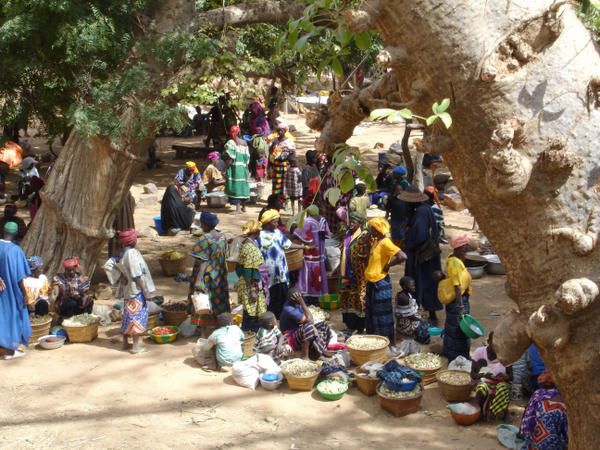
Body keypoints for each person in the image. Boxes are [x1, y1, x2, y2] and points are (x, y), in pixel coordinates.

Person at [402, 185, 443, 324]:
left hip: (422, 255)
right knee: (429, 283)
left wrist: (408, 240)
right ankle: (430, 313)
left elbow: (419, 235)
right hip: (429, 253)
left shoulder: (420, 213)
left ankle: (420, 312)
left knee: (420, 282)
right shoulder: (426, 209)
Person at [364, 218, 407, 344]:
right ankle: (375, 340)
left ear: (377, 230)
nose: (369, 230)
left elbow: (402, 256)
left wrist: (389, 265)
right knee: (372, 313)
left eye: (371, 228)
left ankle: (387, 341)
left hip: (380, 283)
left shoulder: (385, 243)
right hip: (372, 281)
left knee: (382, 315)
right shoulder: (376, 242)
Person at [116, 229, 155, 354]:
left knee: (128, 315)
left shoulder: (123, 253)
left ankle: (125, 343)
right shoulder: (131, 254)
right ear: (133, 241)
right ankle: (136, 347)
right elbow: (137, 275)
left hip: (128, 290)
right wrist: (145, 290)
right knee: (136, 317)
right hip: (136, 290)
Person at [190, 212, 230, 330]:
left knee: (203, 303)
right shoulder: (223, 237)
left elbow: (203, 261)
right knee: (219, 300)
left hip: (206, 277)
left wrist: (198, 280)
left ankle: (204, 330)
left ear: (204, 224)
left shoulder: (204, 239)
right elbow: (225, 256)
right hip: (219, 276)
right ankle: (220, 324)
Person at [0, 222, 31, 359]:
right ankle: (10, 350)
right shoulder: (15, 250)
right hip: (11, 291)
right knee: (13, 318)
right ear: (16, 234)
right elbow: (20, 277)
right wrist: (25, 294)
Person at [519, 372, 568, 450]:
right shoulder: (563, 402)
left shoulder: (536, 394)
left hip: (531, 444)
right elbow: (567, 432)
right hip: (552, 445)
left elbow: (524, 419)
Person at [280, 288, 332, 360]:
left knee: (323, 325)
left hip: (297, 331)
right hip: (290, 337)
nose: (301, 297)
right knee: (309, 327)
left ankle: (320, 351)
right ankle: (305, 356)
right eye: (299, 297)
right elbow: (310, 320)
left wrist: (301, 303)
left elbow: (309, 319)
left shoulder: (296, 304)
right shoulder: (289, 309)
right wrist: (302, 302)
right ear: (293, 298)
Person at [258, 209, 292, 319]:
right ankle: (271, 318)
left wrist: (304, 247)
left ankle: (281, 318)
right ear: (267, 223)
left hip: (281, 272)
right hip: (268, 273)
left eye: (277, 221)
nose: (277, 224)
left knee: (282, 295)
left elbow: (287, 245)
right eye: (274, 222)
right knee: (270, 296)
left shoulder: (277, 232)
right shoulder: (260, 235)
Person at [472, 332, 512, 421]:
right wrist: (484, 375)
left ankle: (496, 411)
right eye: (494, 343)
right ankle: (481, 412)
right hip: (485, 381)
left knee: (502, 388)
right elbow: (473, 375)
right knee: (481, 388)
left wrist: (504, 376)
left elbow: (511, 377)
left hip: (501, 383)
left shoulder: (505, 355)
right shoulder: (479, 352)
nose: (496, 347)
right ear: (489, 341)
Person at [236, 220, 268, 332]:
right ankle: (250, 332)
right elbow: (248, 271)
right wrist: (253, 290)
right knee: (251, 311)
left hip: (247, 282)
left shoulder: (246, 243)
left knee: (249, 309)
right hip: (250, 284)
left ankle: (247, 330)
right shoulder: (250, 248)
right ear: (256, 232)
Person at [294, 205, 330, 301]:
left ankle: (308, 296)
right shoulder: (323, 220)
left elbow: (299, 234)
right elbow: (327, 234)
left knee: (308, 275)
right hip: (320, 253)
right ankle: (318, 296)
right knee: (318, 275)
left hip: (310, 253)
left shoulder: (307, 221)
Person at [339, 212, 367, 332]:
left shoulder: (364, 236)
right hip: (346, 274)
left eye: (354, 222)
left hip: (359, 274)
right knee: (347, 296)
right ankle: (350, 324)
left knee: (359, 297)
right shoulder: (347, 235)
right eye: (350, 222)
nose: (351, 224)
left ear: (359, 224)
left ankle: (360, 325)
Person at [395, 276, 430, 344]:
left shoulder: (405, 294)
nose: (414, 287)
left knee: (423, 321)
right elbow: (410, 316)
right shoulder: (404, 298)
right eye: (412, 286)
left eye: (414, 285)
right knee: (424, 324)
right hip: (405, 324)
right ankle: (413, 335)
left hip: (405, 319)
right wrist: (421, 319)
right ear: (405, 287)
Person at [223, 125, 250, 213]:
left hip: (235, 168)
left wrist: (226, 168)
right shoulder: (244, 143)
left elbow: (230, 157)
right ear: (239, 132)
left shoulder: (231, 142)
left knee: (235, 186)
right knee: (243, 186)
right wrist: (246, 169)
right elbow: (247, 158)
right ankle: (244, 207)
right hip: (243, 167)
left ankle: (238, 209)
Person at [269, 123, 296, 198]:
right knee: (276, 184)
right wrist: (273, 145)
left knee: (285, 184)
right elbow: (270, 152)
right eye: (278, 130)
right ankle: (276, 200)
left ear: (285, 131)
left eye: (281, 130)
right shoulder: (274, 140)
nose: (279, 132)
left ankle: (284, 201)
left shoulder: (289, 142)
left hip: (285, 166)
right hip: (276, 165)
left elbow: (292, 155)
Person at [108, 192, 135, 258]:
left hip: (118, 228)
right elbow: (133, 204)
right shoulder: (127, 192)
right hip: (127, 228)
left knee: (118, 243)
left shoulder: (114, 194)